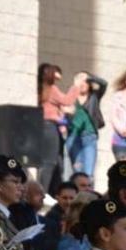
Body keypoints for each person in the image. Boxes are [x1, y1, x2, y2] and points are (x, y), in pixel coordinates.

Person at [37, 63, 81, 191]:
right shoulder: (52, 89)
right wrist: (76, 86)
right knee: (50, 161)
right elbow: (67, 100)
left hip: (43, 126)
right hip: (50, 126)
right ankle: (43, 191)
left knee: (56, 161)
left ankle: (51, 191)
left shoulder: (42, 88)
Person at [66, 72, 107, 180]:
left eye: (86, 81)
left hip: (89, 136)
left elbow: (104, 84)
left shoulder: (94, 96)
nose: (83, 83)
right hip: (73, 138)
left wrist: (90, 77)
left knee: (89, 173)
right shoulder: (70, 97)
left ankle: (89, 196)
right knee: (77, 172)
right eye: (80, 80)